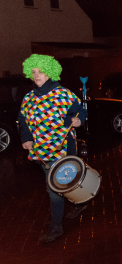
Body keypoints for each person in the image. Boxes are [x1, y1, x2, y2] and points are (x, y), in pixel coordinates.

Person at [18, 54, 88, 243]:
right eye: (34, 71)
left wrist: (78, 119)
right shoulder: (29, 98)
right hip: (41, 151)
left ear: (50, 72)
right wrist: (26, 138)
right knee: (63, 183)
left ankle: (56, 227)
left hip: (62, 149)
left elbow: (80, 110)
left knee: (54, 188)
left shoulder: (62, 93)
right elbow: (23, 120)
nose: (37, 75)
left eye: (41, 71)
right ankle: (81, 202)